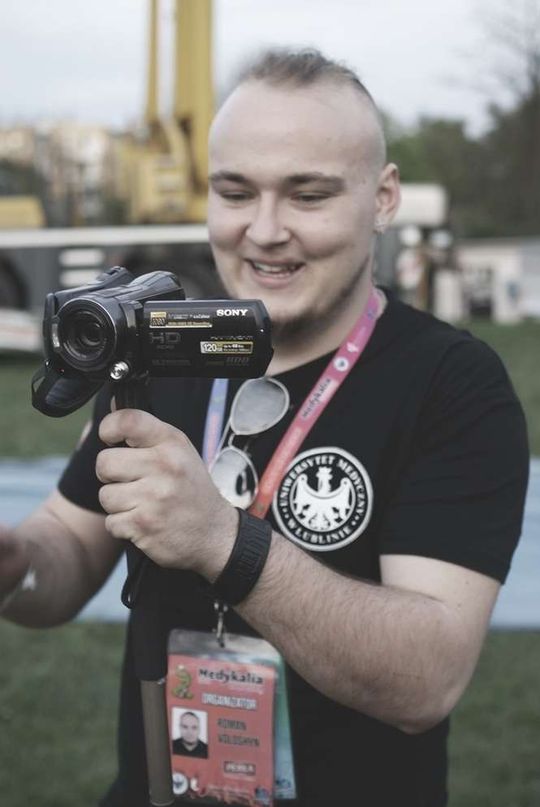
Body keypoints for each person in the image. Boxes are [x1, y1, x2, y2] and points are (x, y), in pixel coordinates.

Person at [0, 48, 529, 807]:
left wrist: (223, 540)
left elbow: (427, 679)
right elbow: (67, 550)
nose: (265, 230)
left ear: (383, 199)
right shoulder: (156, 353)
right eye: (235, 192)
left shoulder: (453, 384)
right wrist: (14, 560)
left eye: (308, 195)